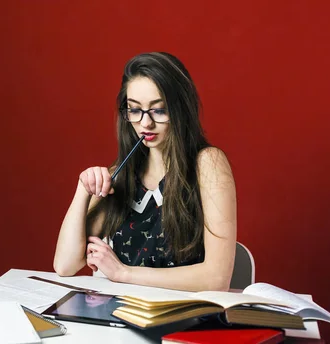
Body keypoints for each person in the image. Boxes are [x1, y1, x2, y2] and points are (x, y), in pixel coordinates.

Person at [53, 52, 237, 292]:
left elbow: (216, 279)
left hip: (181, 317)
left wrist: (123, 273)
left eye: (159, 111)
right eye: (134, 110)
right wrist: (82, 190)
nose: (145, 124)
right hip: (121, 316)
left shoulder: (208, 163)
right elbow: (65, 265)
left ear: (180, 109)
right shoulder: (119, 175)